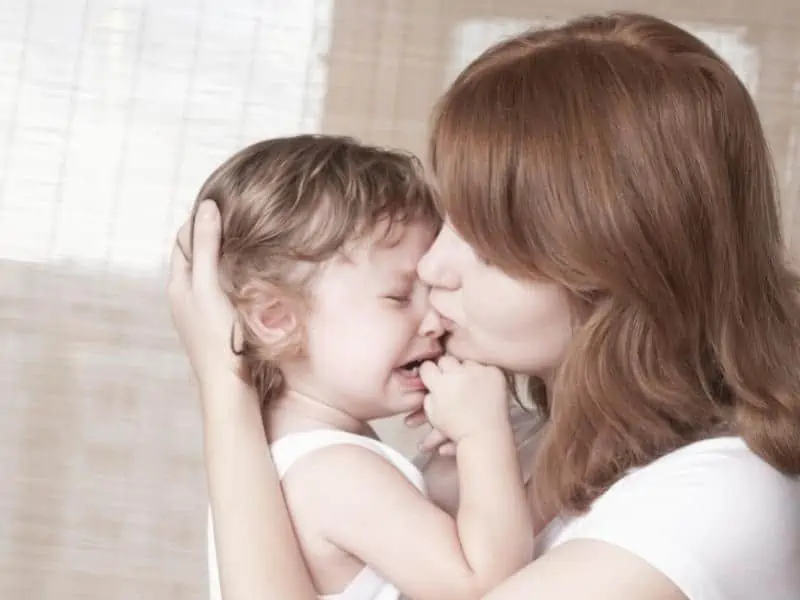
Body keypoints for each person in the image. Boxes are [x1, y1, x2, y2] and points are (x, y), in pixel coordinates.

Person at [168, 11, 800, 600]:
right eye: (449, 222)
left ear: (612, 264)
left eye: (487, 241)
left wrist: (229, 397)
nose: (434, 266)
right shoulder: (518, 434)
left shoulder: (718, 498)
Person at [176, 134, 532, 600]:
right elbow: (483, 585)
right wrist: (483, 435)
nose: (436, 319)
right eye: (399, 297)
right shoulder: (335, 470)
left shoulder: (287, 457)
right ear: (276, 319)